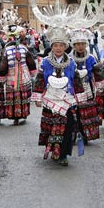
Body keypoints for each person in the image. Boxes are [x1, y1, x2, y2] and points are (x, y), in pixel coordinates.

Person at [32, 27, 80, 166]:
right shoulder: (46, 62)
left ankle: (63, 154)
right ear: (51, 46)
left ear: (65, 46)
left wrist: (80, 98)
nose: (58, 48)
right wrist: (37, 97)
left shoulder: (71, 62)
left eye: (61, 45)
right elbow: (40, 79)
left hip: (67, 99)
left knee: (66, 128)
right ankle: (54, 150)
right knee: (51, 127)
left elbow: (76, 80)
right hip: (50, 99)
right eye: (55, 45)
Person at [0, 24, 37, 125]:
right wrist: (32, 72)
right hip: (23, 75)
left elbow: (3, 65)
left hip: (12, 76)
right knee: (21, 95)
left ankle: (14, 115)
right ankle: (22, 113)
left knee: (14, 94)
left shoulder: (7, 50)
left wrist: (2, 77)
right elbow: (30, 62)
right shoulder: (23, 49)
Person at [70, 28, 100, 142]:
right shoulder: (69, 58)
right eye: (77, 44)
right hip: (73, 90)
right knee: (74, 112)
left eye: (82, 44)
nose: (80, 46)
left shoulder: (91, 58)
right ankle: (73, 134)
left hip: (88, 89)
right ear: (74, 45)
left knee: (85, 112)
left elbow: (98, 74)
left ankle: (86, 134)